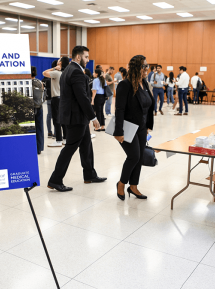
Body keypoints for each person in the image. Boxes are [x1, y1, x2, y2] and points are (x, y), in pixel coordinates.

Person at [47, 46, 106, 191]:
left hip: (75, 116)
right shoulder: (76, 73)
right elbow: (82, 98)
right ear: (78, 57)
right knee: (69, 148)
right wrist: (93, 117)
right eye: (86, 57)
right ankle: (55, 180)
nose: (88, 60)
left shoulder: (67, 70)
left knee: (86, 145)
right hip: (76, 117)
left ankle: (89, 174)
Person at [114, 55, 154, 201]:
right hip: (128, 127)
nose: (147, 69)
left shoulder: (144, 83)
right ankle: (121, 183)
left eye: (147, 65)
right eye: (144, 66)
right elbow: (119, 109)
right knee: (134, 156)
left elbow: (148, 106)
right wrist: (118, 132)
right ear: (136, 67)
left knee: (140, 157)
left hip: (142, 128)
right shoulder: (125, 85)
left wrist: (148, 125)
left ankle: (133, 186)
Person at [43, 56, 69, 147]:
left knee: (56, 120)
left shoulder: (57, 73)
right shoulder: (66, 73)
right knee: (63, 120)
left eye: (59, 60)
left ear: (60, 63)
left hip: (56, 98)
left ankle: (58, 140)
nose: (58, 61)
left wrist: (54, 68)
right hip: (64, 99)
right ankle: (65, 139)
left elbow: (44, 73)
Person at [30, 66, 44, 154]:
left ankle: (31, 147)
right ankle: (39, 148)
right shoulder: (40, 82)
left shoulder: (27, 83)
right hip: (39, 107)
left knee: (30, 128)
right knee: (39, 128)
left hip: (30, 108)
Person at [42, 63, 53, 139]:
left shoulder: (43, 79)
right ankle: (56, 133)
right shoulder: (53, 77)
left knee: (49, 115)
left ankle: (49, 132)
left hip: (48, 98)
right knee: (56, 116)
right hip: (55, 98)